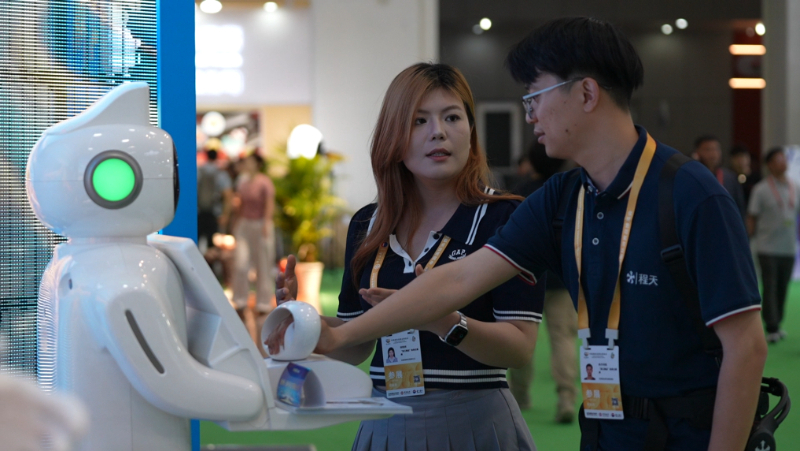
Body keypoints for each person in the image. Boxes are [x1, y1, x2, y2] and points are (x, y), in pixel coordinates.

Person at [305, 17, 767, 451]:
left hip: (687, 432)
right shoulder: (562, 198)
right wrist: (335, 335)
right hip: (606, 427)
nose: (530, 115)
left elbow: (746, 346)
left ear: (586, 93)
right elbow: (459, 279)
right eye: (419, 120)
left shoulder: (690, 194)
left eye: (535, 97)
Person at [270, 63, 542, 451]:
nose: (438, 132)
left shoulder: (506, 217)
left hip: (476, 422)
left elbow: (519, 348)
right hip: (386, 423)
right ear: (394, 137)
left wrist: (442, 320)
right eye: (419, 121)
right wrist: (304, 323)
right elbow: (357, 343)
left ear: (471, 130)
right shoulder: (367, 224)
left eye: (452, 117)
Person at [507, 142, 577, 423]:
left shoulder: (520, 191)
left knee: (520, 337)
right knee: (563, 338)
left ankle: (519, 397)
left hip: (526, 278)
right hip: (562, 276)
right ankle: (566, 398)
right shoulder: (571, 189)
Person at [747, 146, 800, 344]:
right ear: (769, 165)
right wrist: (748, 240)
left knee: (783, 286)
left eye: (784, 159)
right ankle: (771, 326)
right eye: (778, 159)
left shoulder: (795, 186)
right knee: (769, 286)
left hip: (789, 247)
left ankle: (778, 322)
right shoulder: (760, 189)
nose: (783, 163)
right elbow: (751, 217)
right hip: (766, 247)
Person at [232, 152, 276, 319]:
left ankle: (263, 302)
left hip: (261, 225)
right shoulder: (242, 182)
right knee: (240, 263)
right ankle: (240, 300)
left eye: (250, 161)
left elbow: (269, 204)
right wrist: (235, 224)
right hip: (245, 224)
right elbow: (240, 205)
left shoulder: (264, 182)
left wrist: (266, 223)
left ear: (257, 164)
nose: (247, 164)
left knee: (263, 265)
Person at [693, 135, 747, 218]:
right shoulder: (693, 177)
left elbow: (739, 207)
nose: (713, 154)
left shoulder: (730, 177)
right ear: (697, 152)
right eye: (708, 150)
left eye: (716, 149)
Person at [197, 149, 233, 254]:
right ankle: (211, 262)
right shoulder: (221, 173)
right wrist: (225, 215)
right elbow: (227, 195)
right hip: (214, 213)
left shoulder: (198, 171)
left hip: (198, 212)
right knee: (213, 245)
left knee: (196, 243)